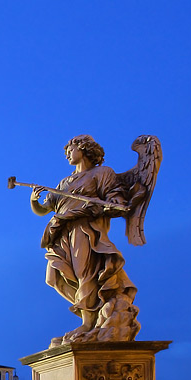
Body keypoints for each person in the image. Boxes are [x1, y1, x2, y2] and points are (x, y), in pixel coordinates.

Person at [31, 135, 139, 345]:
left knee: (84, 273)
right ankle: (91, 312)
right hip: (61, 231)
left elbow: (115, 196)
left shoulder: (101, 173)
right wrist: (34, 200)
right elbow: (44, 209)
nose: (67, 155)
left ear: (83, 148)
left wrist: (114, 203)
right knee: (53, 277)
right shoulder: (65, 182)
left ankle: (89, 322)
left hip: (86, 228)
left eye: (70, 150)